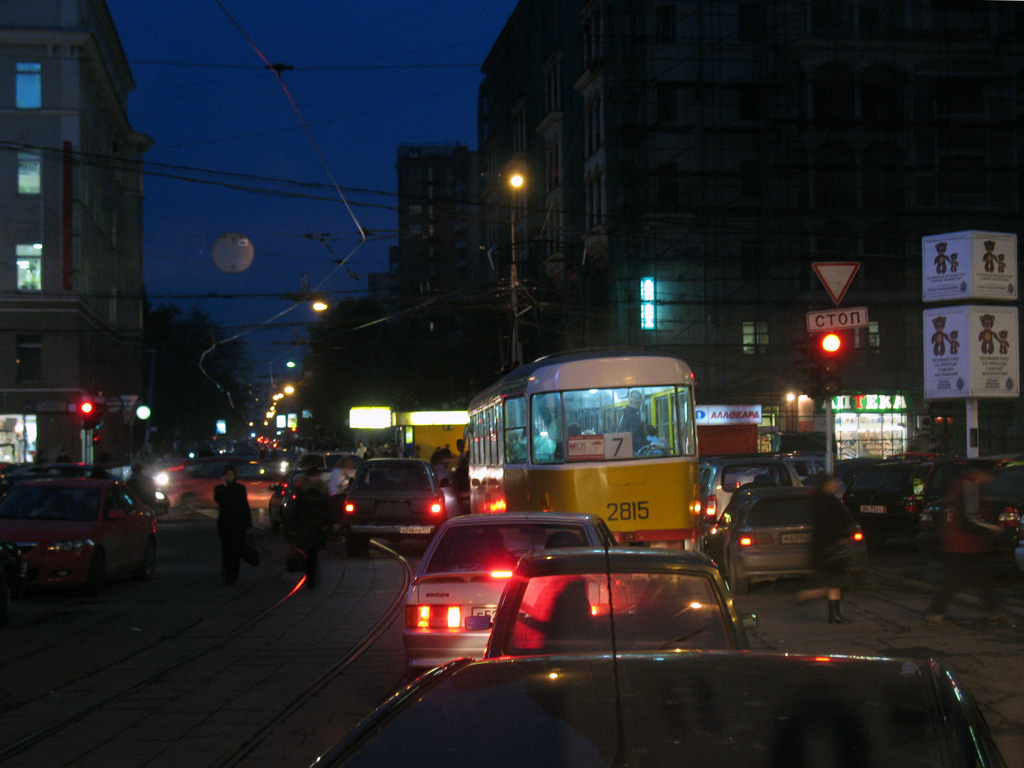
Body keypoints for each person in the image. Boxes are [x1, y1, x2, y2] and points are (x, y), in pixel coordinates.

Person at [927, 470, 1008, 626]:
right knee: (973, 579)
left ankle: (994, 611)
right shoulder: (970, 486)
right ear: (981, 473)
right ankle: (994, 612)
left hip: (958, 543)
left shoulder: (959, 484)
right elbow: (970, 518)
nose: (990, 479)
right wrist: (992, 529)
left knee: (969, 579)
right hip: (966, 544)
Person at [796, 474, 857, 623]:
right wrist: (842, 535)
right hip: (829, 548)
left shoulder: (822, 500)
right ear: (827, 485)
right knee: (834, 582)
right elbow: (832, 523)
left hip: (826, 546)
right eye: (834, 482)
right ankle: (809, 596)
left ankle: (833, 614)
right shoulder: (827, 502)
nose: (837, 484)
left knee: (834, 583)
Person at [287, 466, 333, 588]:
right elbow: (295, 509)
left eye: (316, 476)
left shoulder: (323, 489)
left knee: (314, 552)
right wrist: (293, 527)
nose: (314, 479)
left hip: (318, 526)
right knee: (309, 552)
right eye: (312, 476)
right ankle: (310, 577)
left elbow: (327, 508)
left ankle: (311, 577)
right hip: (306, 525)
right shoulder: (302, 490)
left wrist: (328, 523)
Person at [214, 464, 254, 585]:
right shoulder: (219, 489)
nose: (229, 477)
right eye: (227, 475)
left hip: (238, 523)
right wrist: (225, 486)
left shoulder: (240, 488)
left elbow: (244, 506)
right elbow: (221, 500)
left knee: (236, 550)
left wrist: (249, 524)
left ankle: (233, 574)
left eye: (231, 475)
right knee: (226, 550)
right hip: (225, 524)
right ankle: (227, 574)